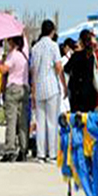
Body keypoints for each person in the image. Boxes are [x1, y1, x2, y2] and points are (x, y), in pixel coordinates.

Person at [30, 20, 65, 164]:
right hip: (51, 87)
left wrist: (33, 88)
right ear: (52, 31)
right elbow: (58, 66)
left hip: (39, 87)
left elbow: (33, 70)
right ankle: (52, 153)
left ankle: (40, 154)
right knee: (52, 122)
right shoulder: (54, 46)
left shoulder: (36, 47)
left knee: (40, 121)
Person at [0, 36, 30, 162]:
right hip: (24, 88)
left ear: (13, 41)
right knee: (23, 122)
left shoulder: (13, 54)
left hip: (13, 88)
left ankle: (10, 150)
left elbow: (3, 70)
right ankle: (23, 150)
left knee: (11, 121)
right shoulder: (25, 53)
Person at [64, 29, 98, 113]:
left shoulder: (76, 56)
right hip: (90, 92)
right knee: (88, 119)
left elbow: (66, 69)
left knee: (77, 119)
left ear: (80, 40)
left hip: (77, 92)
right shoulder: (91, 56)